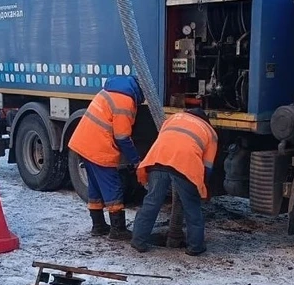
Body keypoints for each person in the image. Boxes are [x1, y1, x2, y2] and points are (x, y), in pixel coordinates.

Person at [131, 108, 217, 256]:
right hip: (186, 166)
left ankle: (138, 241)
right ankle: (195, 247)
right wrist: (203, 186)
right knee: (192, 208)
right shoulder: (210, 132)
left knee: (151, 202)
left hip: (158, 160)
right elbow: (207, 167)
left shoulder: (174, 118)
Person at [67, 75, 143, 240]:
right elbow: (122, 136)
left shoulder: (110, 91)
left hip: (84, 142)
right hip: (99, 147)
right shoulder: (125, 101)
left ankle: (98, 225)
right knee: (112, 186)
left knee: (94, 185)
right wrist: (136, 160)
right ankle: (118, 230)